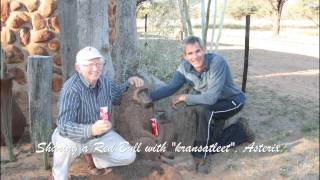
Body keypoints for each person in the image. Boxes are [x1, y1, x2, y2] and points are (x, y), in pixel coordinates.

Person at [149, 36, 255, 174]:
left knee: (204, 111)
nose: (195, 56)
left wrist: (184, 97)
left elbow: (210, 98)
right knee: (209, 130)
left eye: (198, 51)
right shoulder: (184, 68)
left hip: (232, 101)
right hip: (213, 103)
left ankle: (201, 156)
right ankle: (239, 132)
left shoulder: (217, 62)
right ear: (185, 56)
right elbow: (171, 87)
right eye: (190, 53)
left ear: (204, 49)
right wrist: (148, 97)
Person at [50, 47, 144, 180]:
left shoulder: (104, 81)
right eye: (89, 64)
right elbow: (64, 126)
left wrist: (129, 82)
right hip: (74, 138)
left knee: (128, 155)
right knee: (64, 147)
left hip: (100, 136)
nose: (95, 68)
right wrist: (91, 129)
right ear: (78, 67)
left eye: (98, 64)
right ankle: (57, 175)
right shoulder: (71, 89)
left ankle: (95, 161)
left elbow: (117, 95)